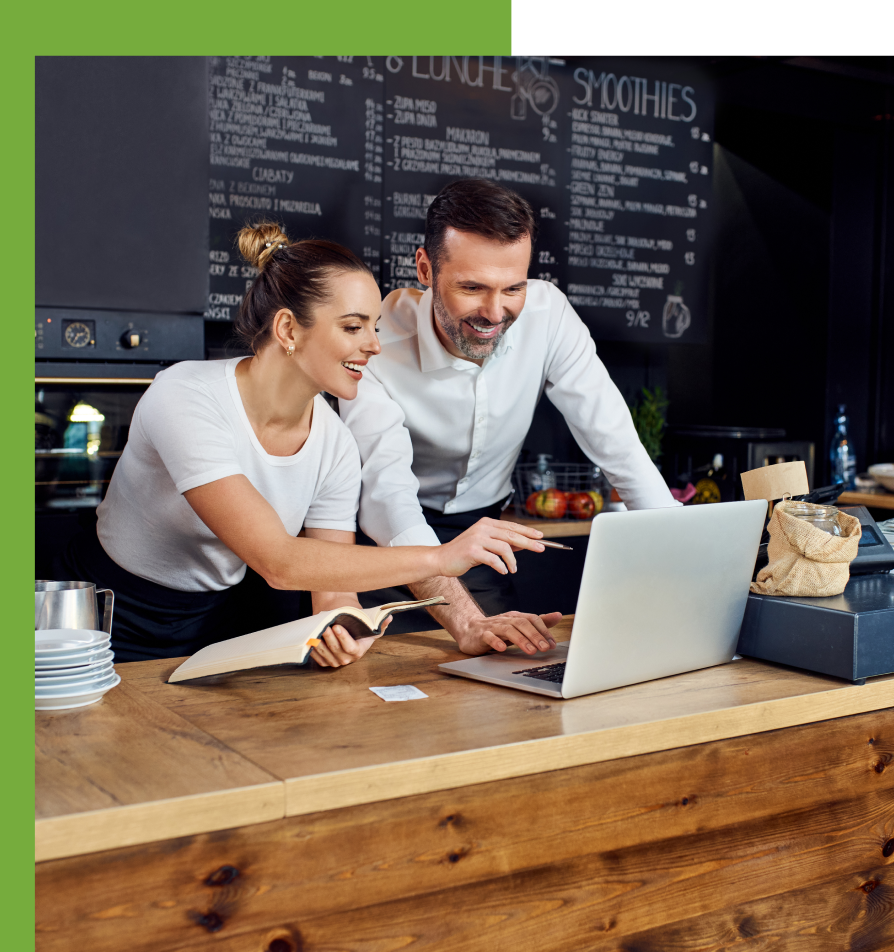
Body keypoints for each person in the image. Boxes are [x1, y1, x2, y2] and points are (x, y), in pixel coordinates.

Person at [63, 223, 557, 664]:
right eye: (352, 327)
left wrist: (341, 626)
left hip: (216, 627)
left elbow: (331, 588)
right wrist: (440, 557)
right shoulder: (186, 395)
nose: (374, 346)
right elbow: (278, 561)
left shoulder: (336, 444)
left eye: (375, 327)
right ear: (287, 329)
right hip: (103, 620)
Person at [338, 178, 680, 655]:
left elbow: (615, 440)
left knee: (499, 682)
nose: (494, 312)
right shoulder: (375, 344)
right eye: (472, 288)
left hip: (483, 538)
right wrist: (463, 622)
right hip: (383, 546)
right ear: (425, 269)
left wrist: (684, 556)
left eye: (513, 287)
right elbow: (386, 496)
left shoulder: (548, 315)